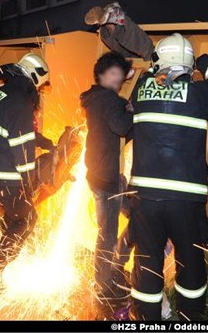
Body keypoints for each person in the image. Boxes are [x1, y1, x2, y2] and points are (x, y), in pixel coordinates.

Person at [86, 2, 208, 320]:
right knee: (190, 267)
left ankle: (147, 318)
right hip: (185, 201)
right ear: (188, 64)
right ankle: (190, 319)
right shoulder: (198, 94)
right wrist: (203, 59)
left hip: (146, 202)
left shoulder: (140, 91)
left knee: (147, 264)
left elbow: (152, 69)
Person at [0, 53, 49, 285]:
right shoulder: (21, 101)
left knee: (14, 215)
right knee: (25, 220)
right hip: (2, 172)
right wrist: (29, 180)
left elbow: (11, 129)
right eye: (39, 85)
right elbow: (21, 148)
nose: (39, 90)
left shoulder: (6, 93)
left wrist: (43, 142)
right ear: (34, 77)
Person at [80, 52, 134, 306]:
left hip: (98, 173)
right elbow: (122, 127)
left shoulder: (94, 98)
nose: (117, 79)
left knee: (130, 218)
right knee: (107, 235)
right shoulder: (109, 99)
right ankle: (103, 282)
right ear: (101, 75)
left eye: (120, 76)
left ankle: (114, 267)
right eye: (112, 74)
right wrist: (133, 109)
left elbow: (113, 125)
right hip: (107, 177)